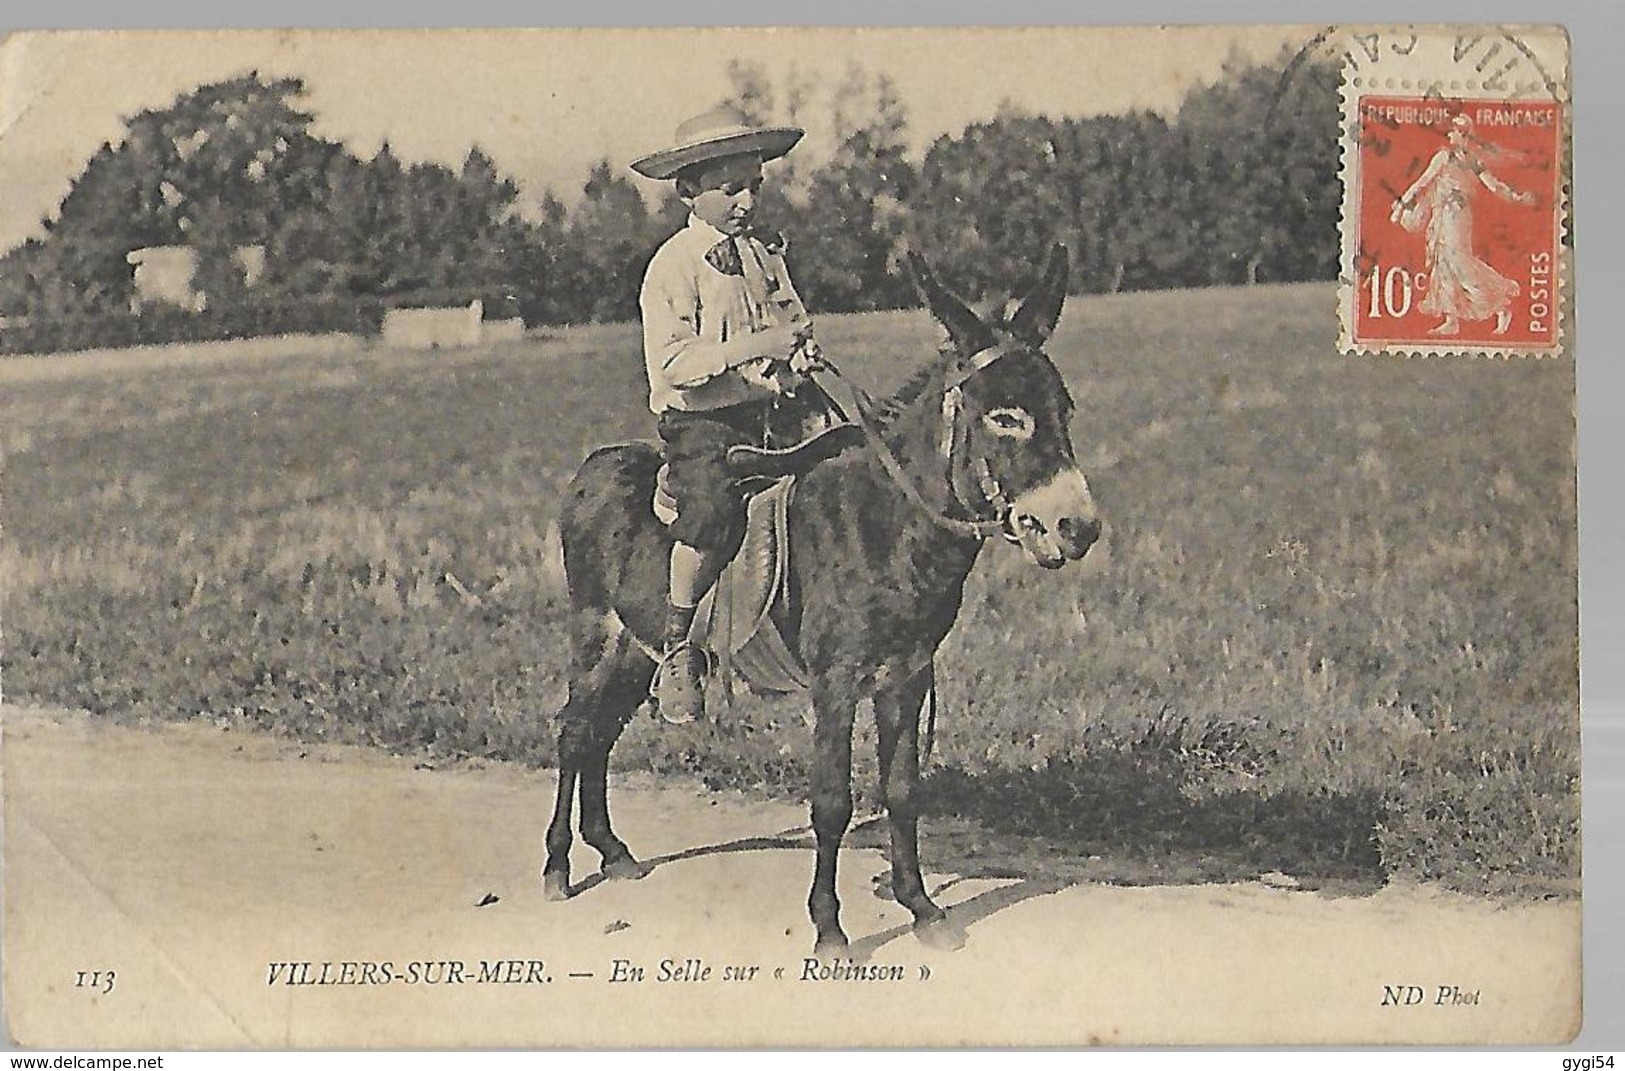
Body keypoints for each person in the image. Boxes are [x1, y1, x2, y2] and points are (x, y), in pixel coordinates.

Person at [631, 106, 826, 724]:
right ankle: (677, 647)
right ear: (689, 190)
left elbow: (785, 322)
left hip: (769, 409)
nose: (746, 200)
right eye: (730, 187)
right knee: (712, 514)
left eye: (755, 185)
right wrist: (755, 348)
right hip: (702, 424)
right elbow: (676, 365)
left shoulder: (767, 256)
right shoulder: (674, 265)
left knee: (843, 474)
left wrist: (797, 355)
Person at [1390, 113, 1537, 336]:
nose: (1450, 135)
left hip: (1457, 217)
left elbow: (1494, 186)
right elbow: (1423, 182)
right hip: (1443, 216)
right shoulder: (1447, 157)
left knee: (1461, 263)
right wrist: (1401, 205)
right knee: (1444, 263)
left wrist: (1516, 198)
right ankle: (1451, 319)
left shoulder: (1466, 160)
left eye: (1453, 131)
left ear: (1462, 134)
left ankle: (1502, 305)